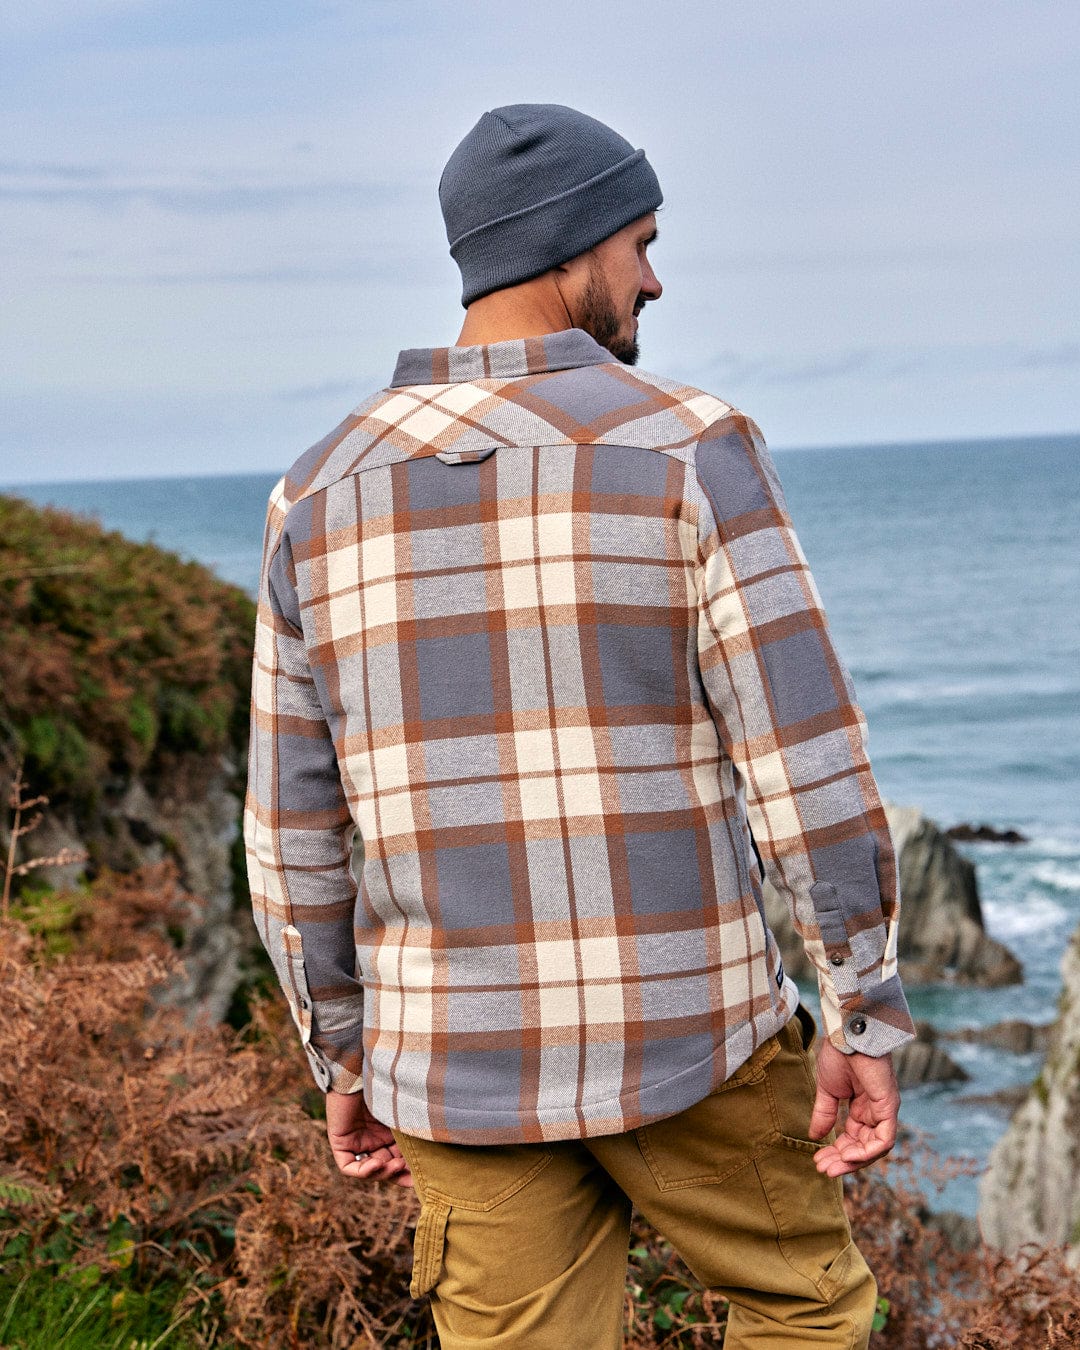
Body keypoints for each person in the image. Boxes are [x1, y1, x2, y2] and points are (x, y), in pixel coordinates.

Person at [244, 102, 917, 1349]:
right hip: (693, 1037)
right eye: (640, 243)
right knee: (803, 1314)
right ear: (568, 246)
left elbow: (292, 834)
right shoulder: (688, 450)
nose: (653, 279)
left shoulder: (313, 495)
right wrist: (861, 1010)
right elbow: (808, 766)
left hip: (453, 1068)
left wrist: (340, 1058)